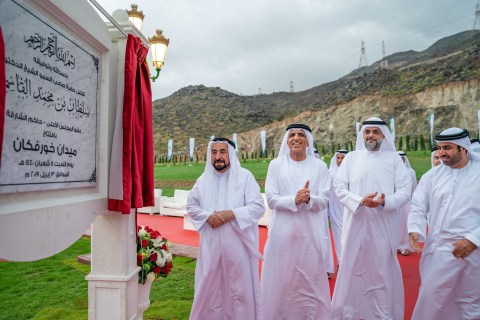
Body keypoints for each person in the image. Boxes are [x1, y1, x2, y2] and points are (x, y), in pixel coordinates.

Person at [332, 117, 412, 320]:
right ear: (362, 135)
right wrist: (359, 200)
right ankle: (350, 313)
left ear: (383, 136)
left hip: (383, 226)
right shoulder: (351, 158)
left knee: (381, 269)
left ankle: (382, 314)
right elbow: (339, 188)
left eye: (375, 132)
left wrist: (384, 202)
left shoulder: (394, 159)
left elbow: (405, 192)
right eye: (367, 132)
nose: (371, 136)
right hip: (355, 224)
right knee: (353, 267)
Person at [186, 137, 265, 320]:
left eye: (222, 152)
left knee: (239, 290)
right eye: (214, 152)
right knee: (210, 289)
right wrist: (208, 217)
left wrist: (232, 214)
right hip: (211, 248)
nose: (218, 156)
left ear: (231, 154)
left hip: (238, 248)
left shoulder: (245, 177)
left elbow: (258, 206)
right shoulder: (203, 180)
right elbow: (191, 206)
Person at [261, 123, 332, 320]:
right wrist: (295, 199)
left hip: (310, 236)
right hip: (281, 236)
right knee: (281, 280)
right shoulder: (276, 165)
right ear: (287, 140)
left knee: (309, 282)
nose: (296, 138)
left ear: (308, 140)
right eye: (292, 134)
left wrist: (309, 198)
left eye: (301, 134)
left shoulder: (320, 166)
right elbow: (272, 199)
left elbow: (324, 200)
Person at [408, 128, 480, 320]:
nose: (440, 153)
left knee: (470, 301)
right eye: (439, 148)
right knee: (432, 298)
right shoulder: (432, 176)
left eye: (447, 148)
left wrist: (474, 239)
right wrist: (415, 228)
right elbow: (418, 204)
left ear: (463, 148)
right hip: (439, 249)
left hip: (474, 251)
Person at [328, 150, 348, 265]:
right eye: (338, 158)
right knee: (338, 235)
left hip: (347, 209)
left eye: (342, 158)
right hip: (335, 209)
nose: (340, 161)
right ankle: (341, 262)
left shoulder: (352, 171)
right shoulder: (330, 172)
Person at [396, 150, 418, 256]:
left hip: (406, 204)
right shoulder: (391, 171)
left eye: (402, 158)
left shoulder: (411, 172)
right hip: (394, 202)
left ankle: (404, 246)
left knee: (404, 224)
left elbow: (414, 188)